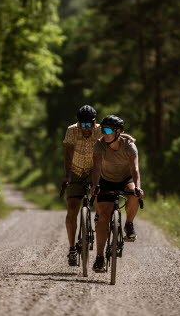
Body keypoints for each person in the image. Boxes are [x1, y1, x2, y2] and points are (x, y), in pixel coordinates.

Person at [91, 115, 144, 272]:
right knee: (104, 217)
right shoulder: (99, 145)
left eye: (108, 130)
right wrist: (95, 185)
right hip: (106, 180)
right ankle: (99, 257)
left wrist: (138, 187)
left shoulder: (130, 146)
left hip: (125, 179)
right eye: (102, 130)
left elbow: (135, 169)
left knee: (133, 193)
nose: (104, 133)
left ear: (118, 132)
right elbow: (97, 167)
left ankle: (129, 224)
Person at [61, 105, 102, 266]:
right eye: (83, 125)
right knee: (72, 208)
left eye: (89, 125)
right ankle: (72, 248)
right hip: (76, 170)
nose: (86, 129)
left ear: (94, 123)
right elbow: (68, 153)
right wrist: (67, 176)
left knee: (99, 197)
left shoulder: (100, 131)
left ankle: (98, 219)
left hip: (95, 170)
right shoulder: (71, 130)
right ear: (78, 123)